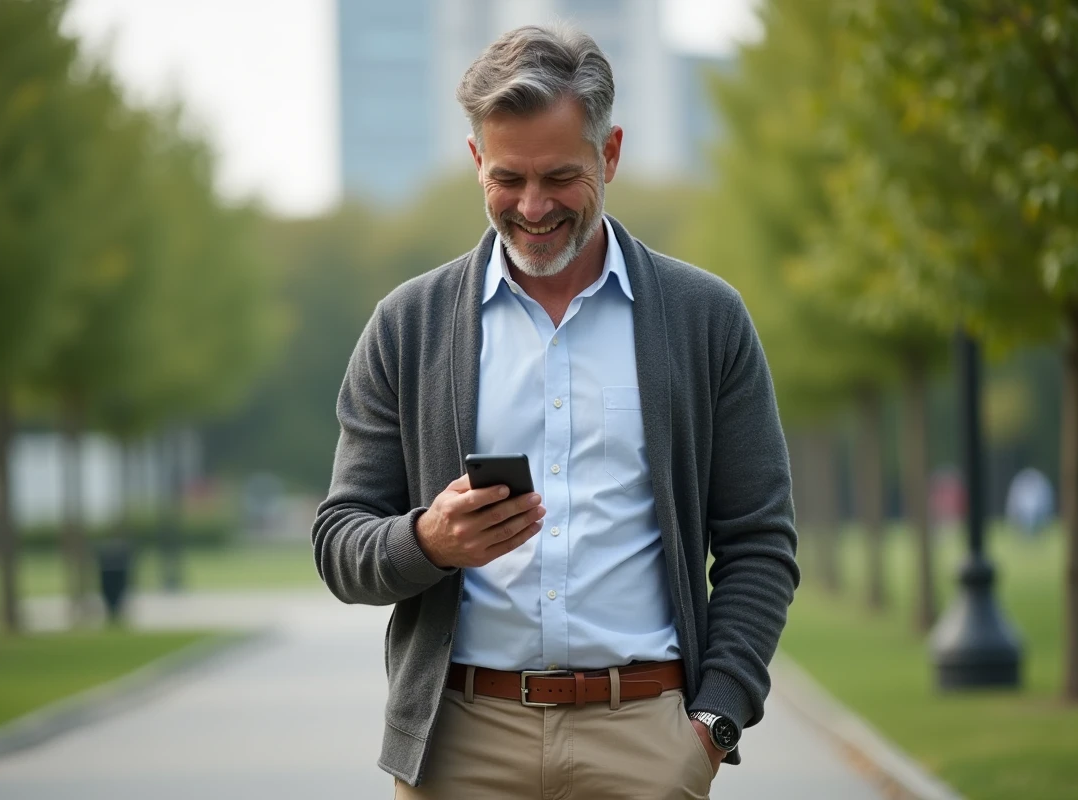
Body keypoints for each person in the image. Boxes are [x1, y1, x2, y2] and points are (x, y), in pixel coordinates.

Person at [313, 23, 799, 799]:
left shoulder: (706, 319)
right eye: (508, 178)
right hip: (457, 743)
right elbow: (339, 542)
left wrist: (714, 725)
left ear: (609, 154)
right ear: (476, 162)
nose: (533, 206)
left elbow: (759, 542)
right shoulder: (407, 325)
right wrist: (428, 541)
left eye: (560, 176)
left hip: (647, 739)